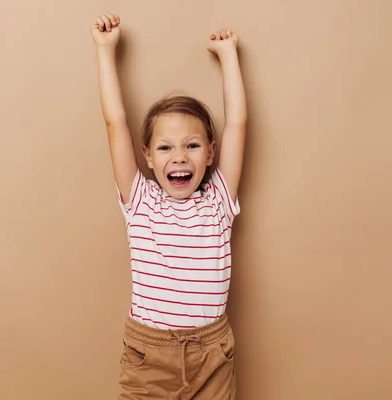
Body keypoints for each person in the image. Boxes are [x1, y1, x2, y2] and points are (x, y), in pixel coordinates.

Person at [91, 12, 247, 400]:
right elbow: (115, 122)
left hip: (213, 353)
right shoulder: (140, 201)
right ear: (147, 156)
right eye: (165, 148)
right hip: (150, 356)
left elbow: (239, 125)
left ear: (211, 154)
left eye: (192, 146)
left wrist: (229, 56)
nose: (179, 158)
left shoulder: (219, 201)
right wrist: (105, 51)